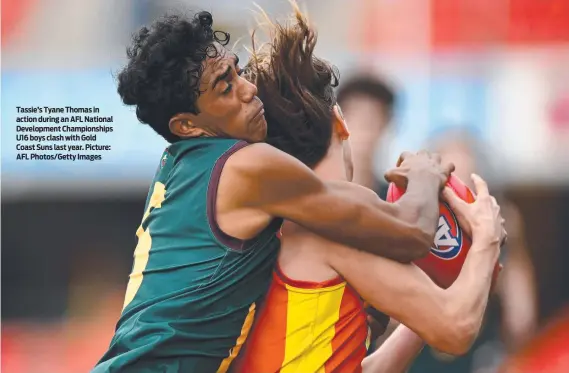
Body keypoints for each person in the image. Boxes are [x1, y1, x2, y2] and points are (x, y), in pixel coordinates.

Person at [92, 10, 454, 373]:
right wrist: (425, 174)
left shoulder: (178, 169)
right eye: (225, 87)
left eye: (235, 70)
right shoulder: (247, 168)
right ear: (187, 124)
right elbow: (412, 232)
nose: (247, 88)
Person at [233, 8, 506, 373]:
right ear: (341, 123)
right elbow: (456, 330)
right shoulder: (329, 230)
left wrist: (423, 303)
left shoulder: (273, 219)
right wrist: (486, 239)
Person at [336, 74, 397, 199]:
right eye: (356, 115)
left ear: (387, 123)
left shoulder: (393, 200)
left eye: (373, 117)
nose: (363, 126)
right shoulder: (318, 195)